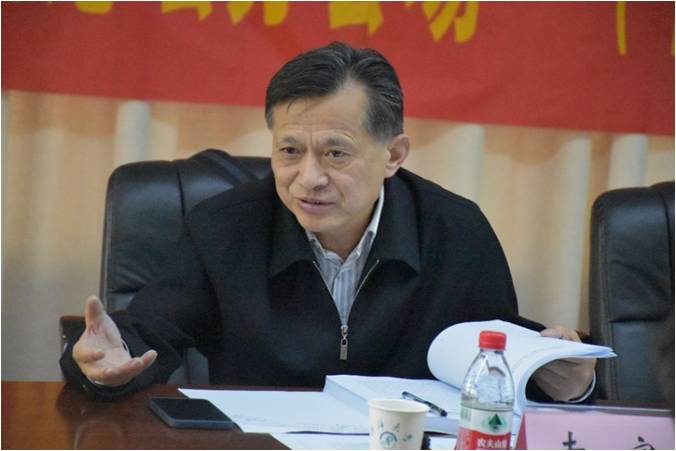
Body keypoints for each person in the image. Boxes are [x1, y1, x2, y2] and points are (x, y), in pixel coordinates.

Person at [60, 42, 595, 401]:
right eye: (289, 150)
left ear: (393, 155)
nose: (308, 178)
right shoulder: (224, 227)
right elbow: (146, 333)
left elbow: (501, 365)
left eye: (336, 154)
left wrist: (566, 381)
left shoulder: (455, 231)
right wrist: (103, 361)